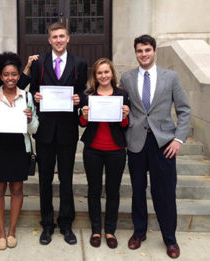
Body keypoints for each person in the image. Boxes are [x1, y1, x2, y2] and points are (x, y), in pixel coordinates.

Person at [120, 35, 190, 259]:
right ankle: (139, 232)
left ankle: (170, 238)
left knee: (165, 193)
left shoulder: (171, 77)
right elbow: (123, 107)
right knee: (138, 191)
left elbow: (184, 110)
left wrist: (178, 140)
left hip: (164, 144)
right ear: (136, 53)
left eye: (147, 50)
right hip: (137, 143)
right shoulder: (127, 78)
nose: (144, 54)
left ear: (154, 51)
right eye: (139, 51)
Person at [30, 22, 87, 245]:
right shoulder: (39, 63)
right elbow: (33, 88)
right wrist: (35, 96)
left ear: (68, 38)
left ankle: (66, 222)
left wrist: (78, 99)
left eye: (62, 36)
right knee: (44, 179)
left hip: (67, 130)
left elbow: (82, 90)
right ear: (49, 40)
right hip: (44, 131)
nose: (59, 40)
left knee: (65, 178)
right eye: (55, 37)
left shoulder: (79, 63)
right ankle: (47, 224)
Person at [0, 52, 38, 250]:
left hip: (19, 147)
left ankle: (12, 230)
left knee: (17, 189)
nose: (10, 78)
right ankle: (0, 231)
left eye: (14, 74)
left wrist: (31, 119)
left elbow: (35, 129)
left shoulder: (27, 96)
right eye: (6, 74)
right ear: (0, 76)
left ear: (19, 75)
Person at [79, 58, 130, 248]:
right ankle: (95, 230)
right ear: (95, 76)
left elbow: (125, 125)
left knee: (113, 191)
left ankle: (109, 231)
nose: (103, 76)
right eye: (99, 73)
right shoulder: (88, 96)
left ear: (112, 74)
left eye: (106, 72)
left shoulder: (122, 95)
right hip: (93, 149)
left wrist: (125, 116)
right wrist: (83, 115)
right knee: (94, 190)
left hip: (116, 150)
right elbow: (82, 123)